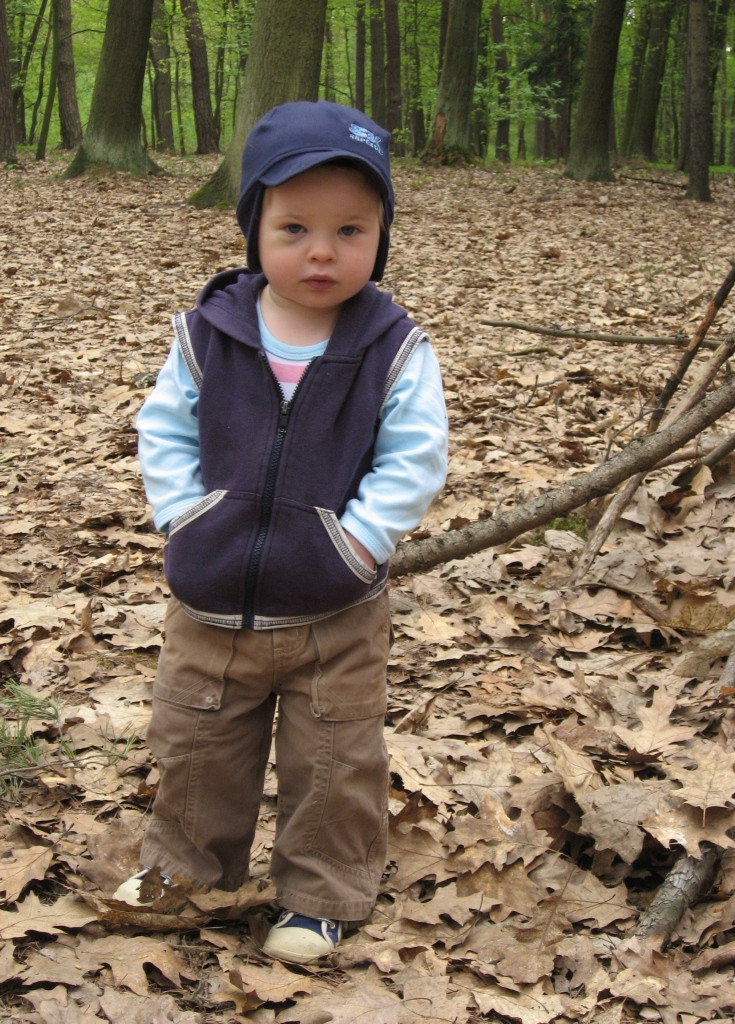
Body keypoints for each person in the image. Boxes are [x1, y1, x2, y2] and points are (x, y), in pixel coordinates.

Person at [114, 100, 448, 965]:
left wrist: (358, 543)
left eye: (350, 230)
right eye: (295, 228)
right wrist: (185, 518)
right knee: (197, 748)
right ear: (254, 229)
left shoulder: (393, 347)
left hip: (336, 612)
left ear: (381, 237)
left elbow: (414, 457)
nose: (322, 251)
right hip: (212, 600)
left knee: (335, 759)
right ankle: (185, 874)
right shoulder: (209, 333)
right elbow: (165, 430)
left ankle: (319, 896)